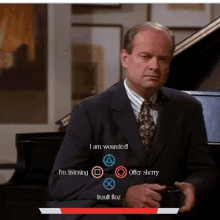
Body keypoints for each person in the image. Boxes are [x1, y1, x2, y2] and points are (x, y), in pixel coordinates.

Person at [49, 22, 218, 220]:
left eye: (162, 59)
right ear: (125, 58)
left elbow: (204, 170)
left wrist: (194, 187)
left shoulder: (188, 108)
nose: (154, 66)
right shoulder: (90, 111)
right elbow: (62, 179)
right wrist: (124, 193)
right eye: (146, 56)